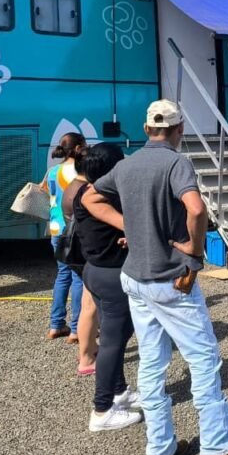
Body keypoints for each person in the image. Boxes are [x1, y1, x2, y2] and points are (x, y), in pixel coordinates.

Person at [84, 99, 228, 455]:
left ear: (146, 129)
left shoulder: (125, 165)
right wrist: (194, 257)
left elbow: (89, 198)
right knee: (203, 358)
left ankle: (160, 450)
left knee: (152, 362)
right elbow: (196, 209)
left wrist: (130, 226)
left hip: (134, 278)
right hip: (169, 277)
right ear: (179, 129)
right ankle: (217, 445)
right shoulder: (176, 163)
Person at [68, 143, 143, 432]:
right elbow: (131, 225)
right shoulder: (96, 196)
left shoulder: (88, 190)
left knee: (117, 337)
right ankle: (102, 410)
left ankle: (119, 390)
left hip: (95, 271)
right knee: (113, 341)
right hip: (110, 275)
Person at [45, 132, 87, 341]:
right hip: (74, 228)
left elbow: (46, 191)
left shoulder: (53, 171)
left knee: (62, 275)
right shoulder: (80, 171)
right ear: (78, 147)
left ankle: (56, 325)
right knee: (79, 277)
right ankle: (77, 329)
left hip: (56, 228)